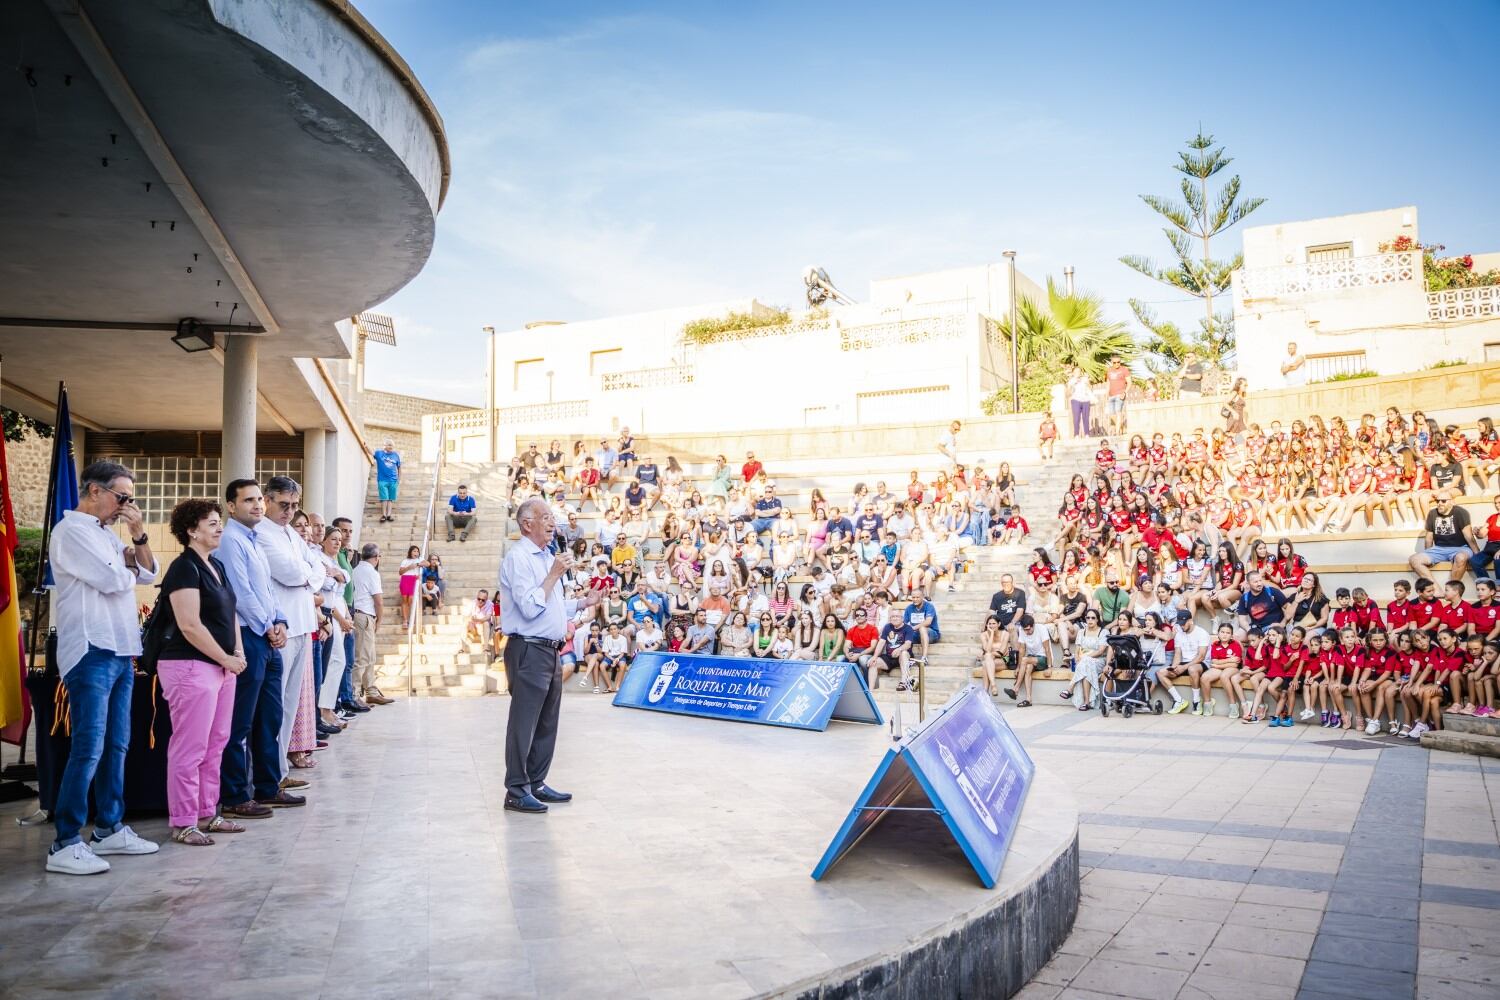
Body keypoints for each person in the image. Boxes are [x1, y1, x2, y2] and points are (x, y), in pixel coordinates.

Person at [44, 461, 162, 873]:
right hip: (91, 648)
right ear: (95, 491)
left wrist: (139, 538)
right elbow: (112, 580)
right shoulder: (71, 532)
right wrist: (125, 567)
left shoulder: (106, 536)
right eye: (122, 496)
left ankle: (109, 828)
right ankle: (64, 842)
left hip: (120, 647)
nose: (126, 505)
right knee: (89, 746)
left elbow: (148, 572)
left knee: (117, 744)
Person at [497, 498, 603, 813]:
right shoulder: (519, 558)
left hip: (549, 650)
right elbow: (529, 607)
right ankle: (516, 789)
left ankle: (536, 782)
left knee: (546, 722)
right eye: (545, 517)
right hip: (528, 648)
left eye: (551, 517)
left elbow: (552, 606)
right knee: (524, 722)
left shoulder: (545, 558)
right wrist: (555, 574)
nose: (551, 522)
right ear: (526, 523)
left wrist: (584, 603)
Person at [155, 499, 248, 847]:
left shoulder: (217, 566)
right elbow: (190, 625)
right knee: (190, 747)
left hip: (222, 667)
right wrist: (226, 658)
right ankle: (183, 821)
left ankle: (208, 813)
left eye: (218, 522)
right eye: (211, 523)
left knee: (216, 744)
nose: (219, 527)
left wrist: (236, 653)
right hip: (190, 666)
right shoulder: (184, 568)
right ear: (191, 530)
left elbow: (231, 614)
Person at [257, 476, 324, 782]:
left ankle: (280, 771)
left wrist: (310, 575)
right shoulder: (262, 533)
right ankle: (270, 774)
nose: (289, 512)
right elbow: (290, 573)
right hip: (282, 628)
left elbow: (317, 566)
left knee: (290, 705)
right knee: (274, 706)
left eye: (294, 506)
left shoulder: (290, 534)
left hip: (303, 625)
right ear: (267, 500)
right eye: (284, 505)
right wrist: (309, 575)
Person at [351, 543, 390, 706]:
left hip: (359, 614)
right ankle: (353, 695)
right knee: (362, 657)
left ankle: (371, 690)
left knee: (369, 656)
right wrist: (379, 620)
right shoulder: (371, 572)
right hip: (364, 616)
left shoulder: (356, 569)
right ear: (376, 557)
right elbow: (378, 601)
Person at [1409, 492, 1477, 583]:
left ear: (1452, 502)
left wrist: (1477, 554)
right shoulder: (1432, 513)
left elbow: (1469, 536)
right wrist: (1428, 554)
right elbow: (1429, 537)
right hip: (1439, 549)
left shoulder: (1460, 512)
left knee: (1461, 557)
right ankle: (1435, 589)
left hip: (1460, 547)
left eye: (1443, 501)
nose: (1439, 503)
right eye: (1437, 501)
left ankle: (1452, 588)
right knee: (1414, 559)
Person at [372, 439, 402, 522]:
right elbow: (371, 453)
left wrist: (399, 479)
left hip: (393, 480)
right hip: (382, 480)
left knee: (390, 499)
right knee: (384, 498)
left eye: (392, 445)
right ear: (384, 446)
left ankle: (389, 515)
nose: (390, 446)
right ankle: (384, 515)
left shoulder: (396, 455)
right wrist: (366, 446)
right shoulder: (379, 453)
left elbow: (399, 468)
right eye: (389, 445)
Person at [1105, 356, 1129, 435]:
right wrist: (1106, 394)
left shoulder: (1124, 370)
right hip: (1111, 395)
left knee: (1118, 412)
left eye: (1118, 362)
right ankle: (1120, 427)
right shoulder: (1109, 370)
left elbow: (1129, 382)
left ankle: (1118, 432)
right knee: (1112, 414)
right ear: (1112, 363)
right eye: (1114, 362)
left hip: (1120, 394)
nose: (1117, 364)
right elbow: (1108, 383)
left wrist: (1125, 392)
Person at [1067, 367, 1093, 438]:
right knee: (1076, 418)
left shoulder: (1085, 379)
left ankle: (1087, 434)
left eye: (1079, 371)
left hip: (1085, 400)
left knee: (1086, 418)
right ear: (1073, 373)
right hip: (1075, 400)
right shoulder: (1071, 381)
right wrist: (1073, 385)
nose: (1078, 373)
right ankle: (1076, 434)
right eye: (1076, 372)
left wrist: (1088, 383)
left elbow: (1090, 388)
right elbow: (1068, 393)